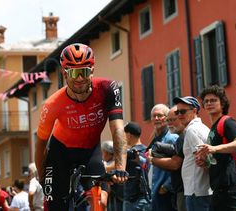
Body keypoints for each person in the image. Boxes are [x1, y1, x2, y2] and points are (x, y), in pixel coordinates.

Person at [35, 43, 128, 210]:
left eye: (84, 71)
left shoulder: (108, 88)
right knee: (56, 204)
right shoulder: (53, 104)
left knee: (100, 201)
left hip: (90, 151)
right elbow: (40, 143)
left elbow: (118, 129)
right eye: (73, 72)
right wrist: (43, 178)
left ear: (92, 70)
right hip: (60, 152)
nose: (79, 79)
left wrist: (121, 168)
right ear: (64, 74)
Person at [196, 85, 236, 210]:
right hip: (218, 187)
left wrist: (214, 148)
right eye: (206, 101)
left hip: (228, 186)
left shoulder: (228, 122)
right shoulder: (213, 128)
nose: (209, 103)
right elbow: (218, 158)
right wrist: (205, 162)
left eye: (213, 100)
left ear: (222, 104)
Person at [173, 96, 212, 211]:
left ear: (194, 111)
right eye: (177, 112)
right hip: (200, 190)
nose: (179, 115)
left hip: (197, 191)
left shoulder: (192, 130)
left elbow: (203, 158)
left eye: (183, 111)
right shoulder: (200, 127)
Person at [147, 105, 186, 211]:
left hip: (166, 193)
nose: (156, 119)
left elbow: (178, 163)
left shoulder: (172, 137)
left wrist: (166, 187)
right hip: (156, 191)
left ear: (166, 117)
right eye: (153, 116)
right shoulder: (155, 138)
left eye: (160, 115)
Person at [122, 122, 151, 211]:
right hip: (147, 197)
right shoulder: (147, 151)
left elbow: (115, 166)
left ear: (129, 135)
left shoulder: (129, 154)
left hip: (132, 200)